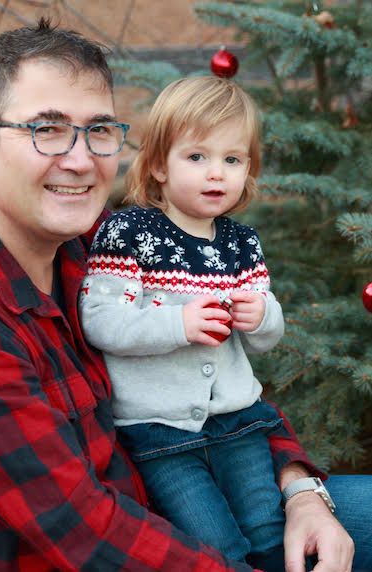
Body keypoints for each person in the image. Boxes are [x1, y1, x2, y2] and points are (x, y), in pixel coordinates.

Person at [0, 17, 369, 572]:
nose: (80, 160)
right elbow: (85, 533)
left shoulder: (99, 237)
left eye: (99, 130)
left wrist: (302, 493)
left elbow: (222, 386)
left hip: (173, 490)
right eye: (47, 130)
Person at [78, 76, 286, 569]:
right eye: (196, 157)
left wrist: (262, 317)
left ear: (248, 169)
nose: (216, 173)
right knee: (213, 545)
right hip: (160, 433)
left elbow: (265, 339)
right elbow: (101, 321)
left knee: (268, 531)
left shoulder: (241, 243)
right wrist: (178, 324)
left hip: (238, 421)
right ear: (158, 165)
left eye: (232, 160)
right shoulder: (129, 232)